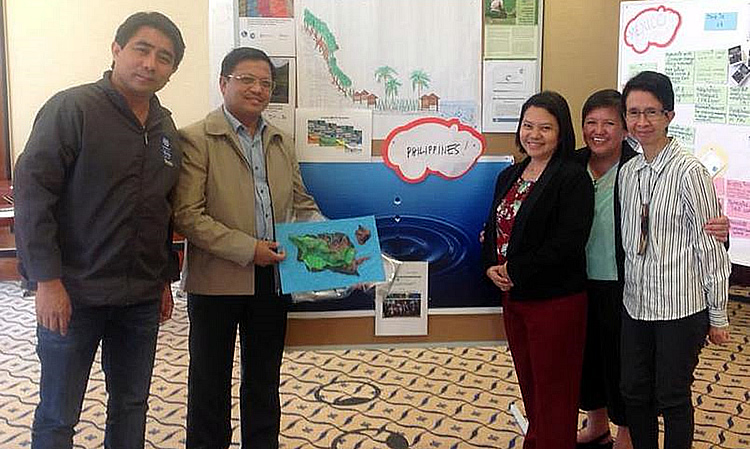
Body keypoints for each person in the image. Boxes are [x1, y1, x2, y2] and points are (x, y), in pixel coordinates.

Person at [13, 12, 185, 449]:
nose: (150, 64)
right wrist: (47, 281)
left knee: (131, 404)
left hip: (139, 299)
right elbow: (33, 196)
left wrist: (163, 279)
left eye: (163, 58)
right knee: (58, 412)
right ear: (116, 50)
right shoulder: (72, 109)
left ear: (171, 70)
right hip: (74, 293)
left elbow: (160, 209)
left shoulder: (166, 129)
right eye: (141, 50)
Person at [172, 47, 323, 449]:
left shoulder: (280, 141)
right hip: (215, 283)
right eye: (247, 80)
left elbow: (300, 204)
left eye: (266, 83)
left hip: (272, 280)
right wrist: (248, 248)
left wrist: (334, 243)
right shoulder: (196, 139)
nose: (257, 89)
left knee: (264, 381)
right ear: (223, 83)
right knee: (209, 383)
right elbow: (187, 215)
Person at [618, 71, 731, 449]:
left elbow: (710, 247)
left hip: (680, 308)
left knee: (672, 396)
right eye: (633, 113)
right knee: (634, 392)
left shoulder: (690, 171)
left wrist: (718, 315)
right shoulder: (629, 171)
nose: (641, 122)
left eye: (651, 112)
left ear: (669, 115)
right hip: (636, 305)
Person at [482, 91, 594, 449]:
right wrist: (490, 266)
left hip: (556, 301)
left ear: (561, 134)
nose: (534, 134)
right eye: (528, 125)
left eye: (545, 127)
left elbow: (567, 244)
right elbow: (493, 227)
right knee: (531, 385)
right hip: (515, 298)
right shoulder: (510, 175)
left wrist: (515, 269)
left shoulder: (572, 178)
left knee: (555, 393)